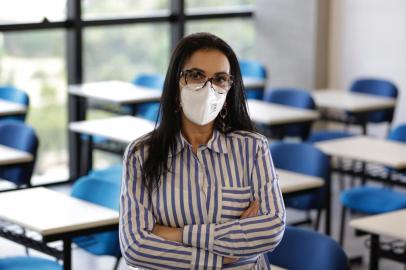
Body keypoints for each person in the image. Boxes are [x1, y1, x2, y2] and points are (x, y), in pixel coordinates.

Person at [119, 32, 285, 269]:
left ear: (228, 91)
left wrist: (177, 234)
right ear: (176, 84)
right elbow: (135, 248)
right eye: (196, 75)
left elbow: (271, 230)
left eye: (220, 79)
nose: (208, 88)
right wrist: (216, 258)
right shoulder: (141, 155)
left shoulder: (253, 148)